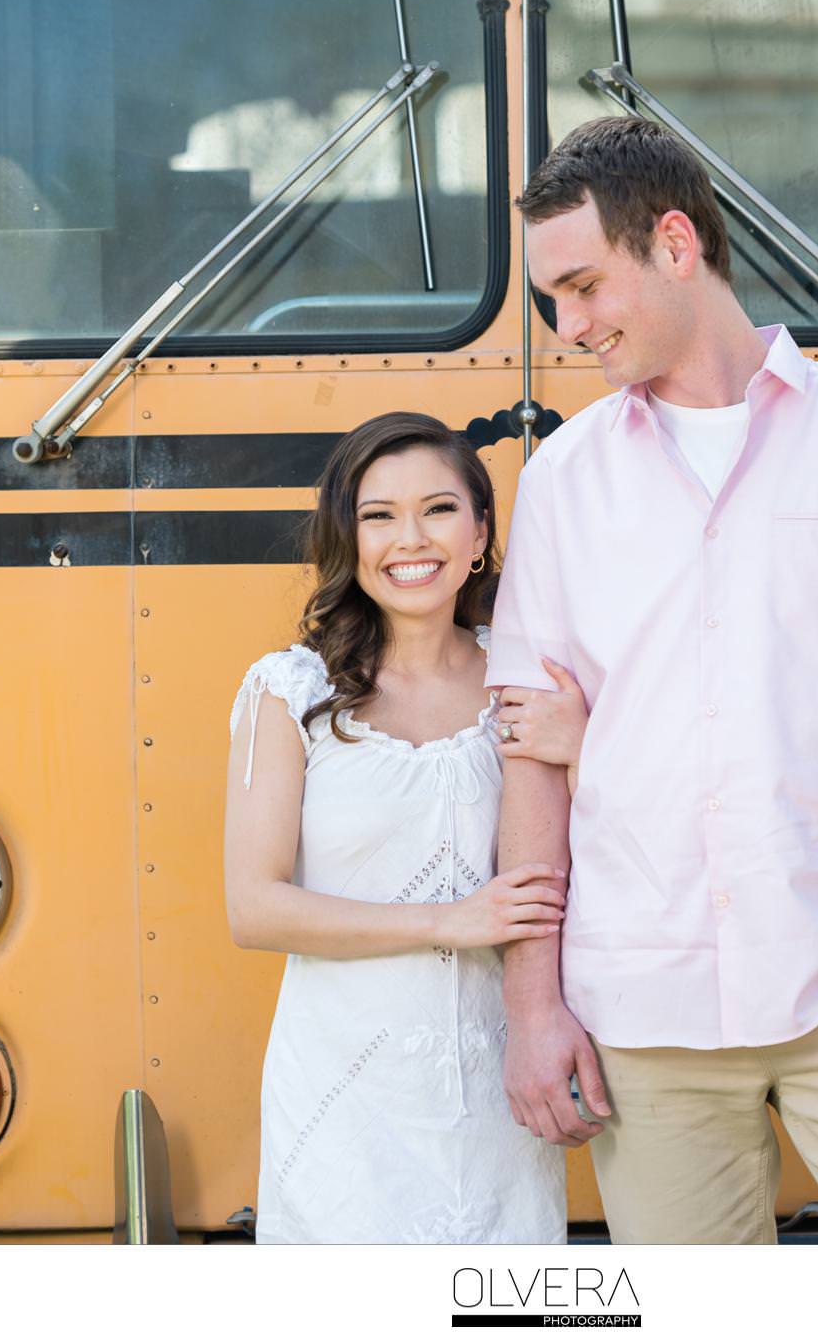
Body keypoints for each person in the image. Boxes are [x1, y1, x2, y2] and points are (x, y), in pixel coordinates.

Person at [486, 116, 818, 1244]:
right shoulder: (563, 481)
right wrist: (533, 1008)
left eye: (582, 287)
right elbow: (528, 755)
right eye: (552, 302)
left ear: (674, 245)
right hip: (643, 1009)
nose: (566, 327)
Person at [224, 411, 590, 1244]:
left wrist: (590, 746)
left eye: (439, 508)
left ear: (480, 532)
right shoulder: (289, 690)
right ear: (346, 539)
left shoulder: (529, 678)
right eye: (377, 515)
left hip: (497, 1089)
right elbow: (255, 907)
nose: (409, 538)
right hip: (343, 1097)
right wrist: (448, 920)